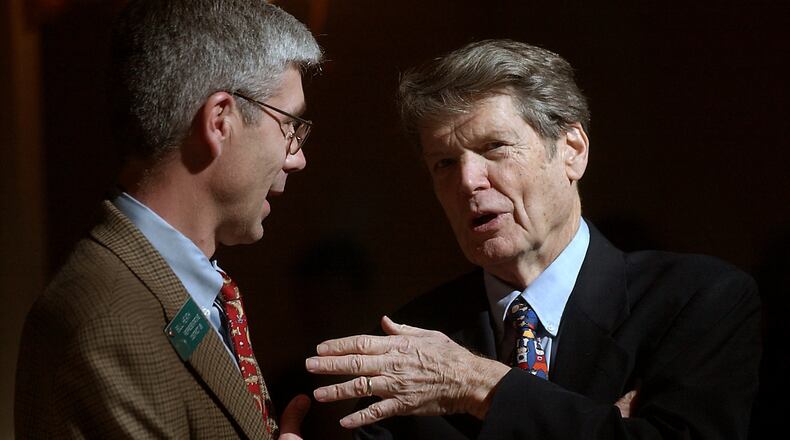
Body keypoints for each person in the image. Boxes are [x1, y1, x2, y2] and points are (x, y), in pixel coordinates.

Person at [306, 39, 760, 439]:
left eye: (494, 148)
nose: (468, 181)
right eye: (444, 163)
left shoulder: (695, 301)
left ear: (572, 152)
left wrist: (479, 384)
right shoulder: (413, 342)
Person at [14, 1, 321, 439]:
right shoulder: (105, 323)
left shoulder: (175, 286)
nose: (298, 158)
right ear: (220, 121)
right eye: (290, 126)